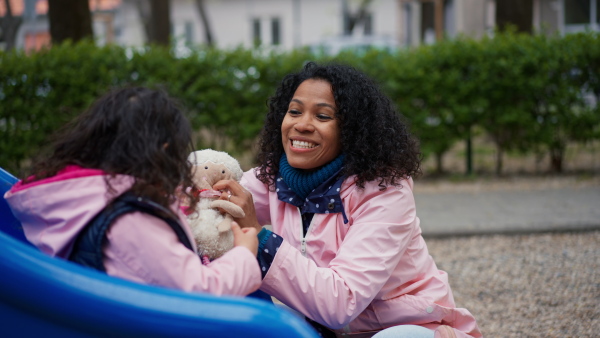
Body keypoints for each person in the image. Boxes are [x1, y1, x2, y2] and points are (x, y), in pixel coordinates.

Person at [213, 62, 482, 337]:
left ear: (351, 130)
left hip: (406, 325)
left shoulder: (384, 190)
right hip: (330, 328)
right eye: (294, 111)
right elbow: (209, 202)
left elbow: (341, 303)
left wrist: (259, 238)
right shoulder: (275, 177)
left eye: (323, 116)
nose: (302, 125)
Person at [4, 86, 261, 296]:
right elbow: (196, 290)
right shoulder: (131, 218)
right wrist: (244, 254)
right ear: (164, 149)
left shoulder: (76, 198)